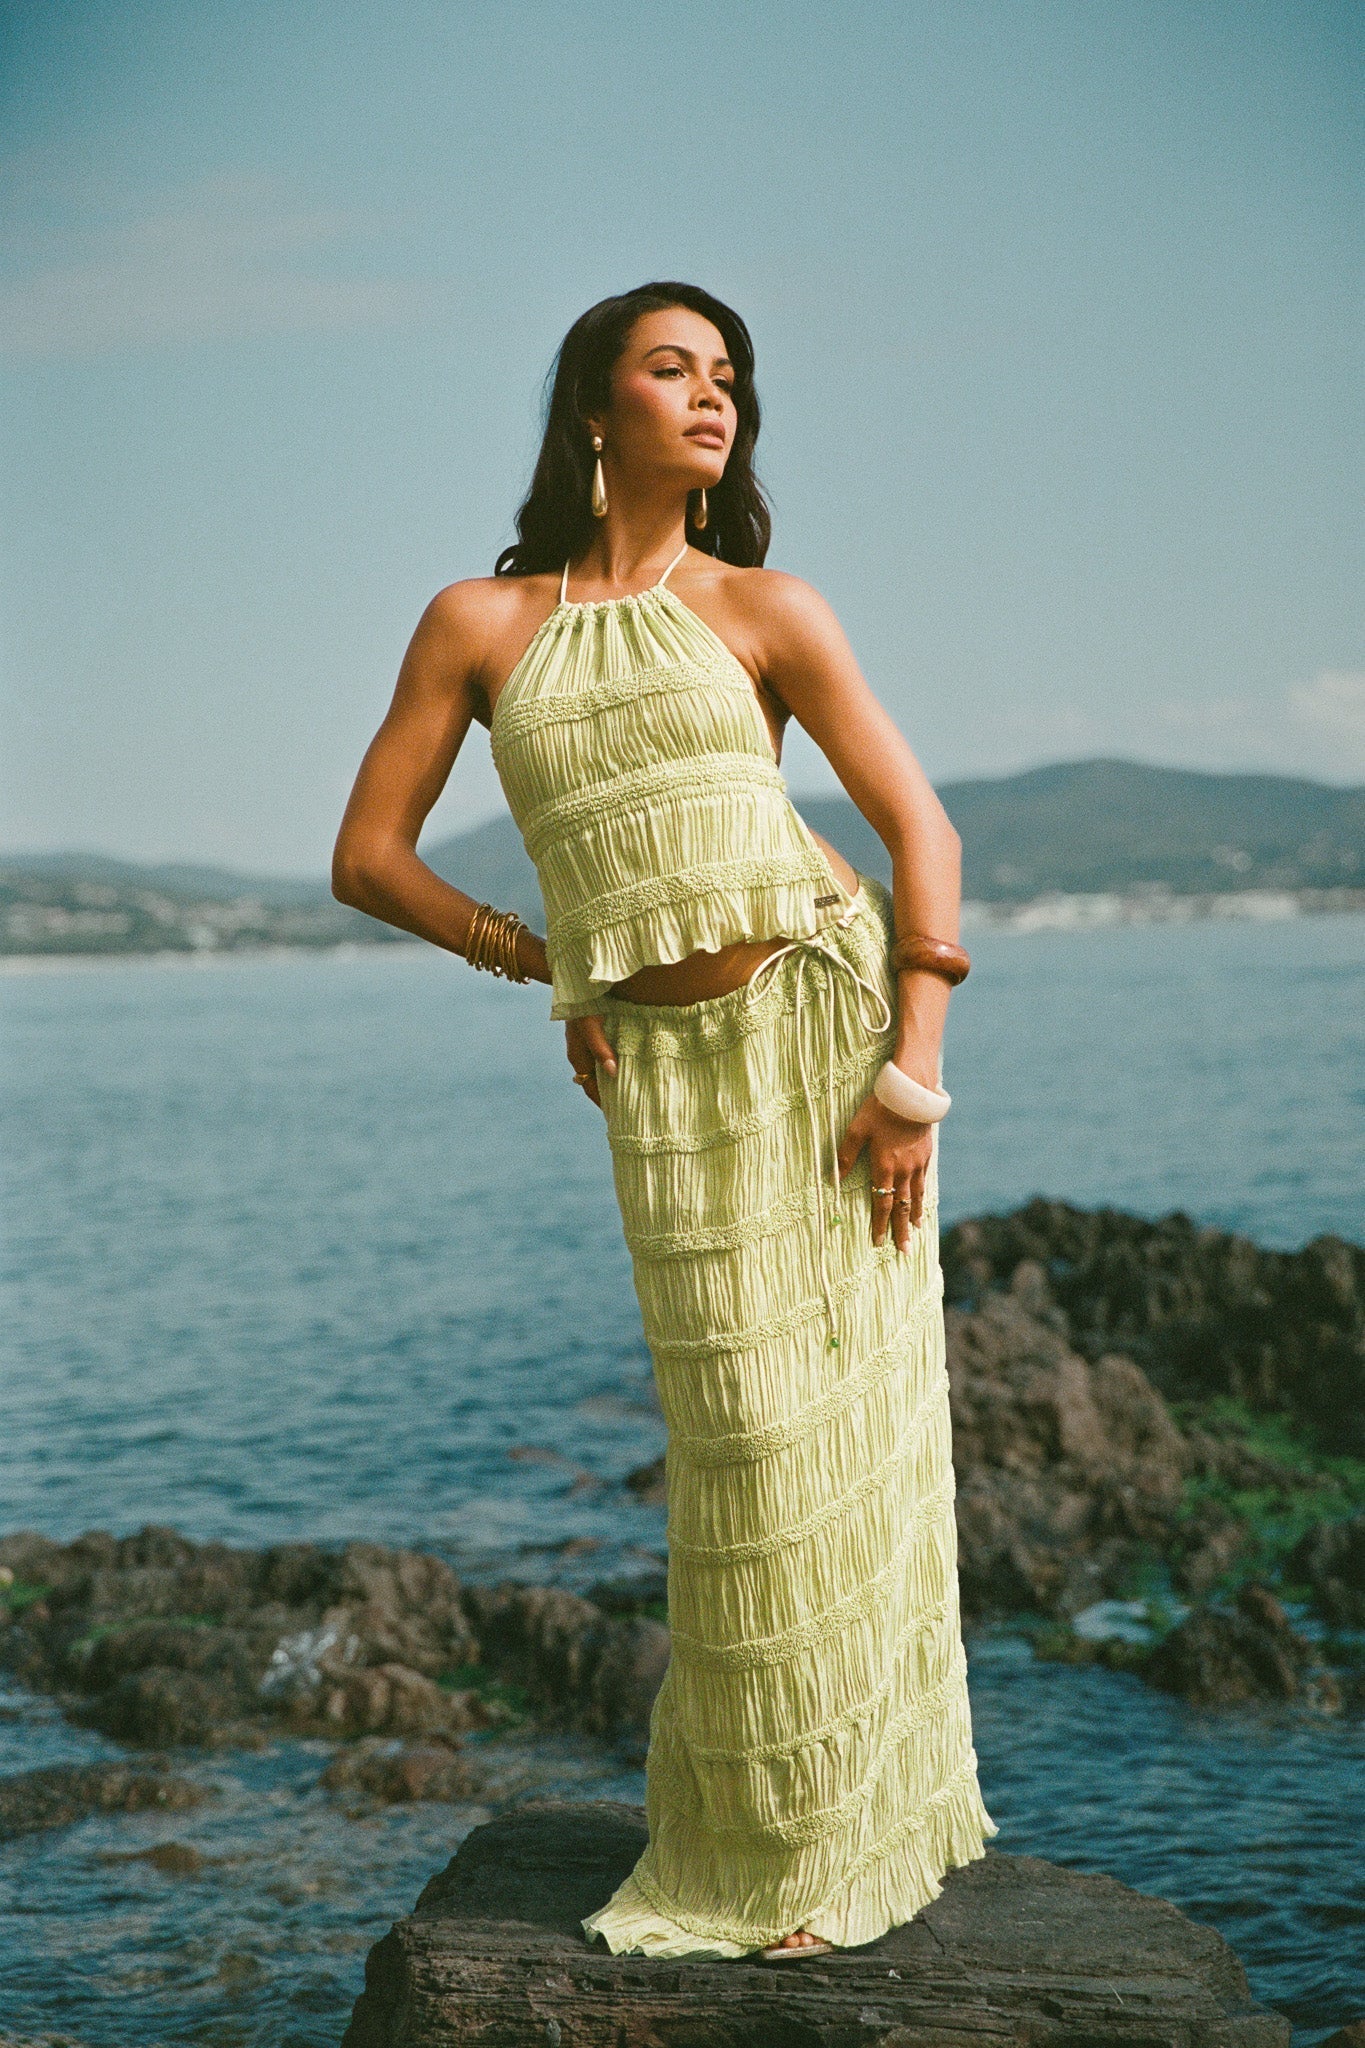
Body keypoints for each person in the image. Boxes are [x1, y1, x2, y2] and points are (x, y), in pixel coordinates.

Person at [332, 280, 998, 1959]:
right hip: (670, 1084)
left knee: (833, 1456)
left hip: (828, 1045)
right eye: (671, 370)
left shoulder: (768, 606)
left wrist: (911, 1075)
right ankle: (752, 1835)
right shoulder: (478, 626)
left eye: (729, 379)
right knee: (739, 1453)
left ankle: (840, 1851)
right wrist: (550, 967)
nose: (711, 399)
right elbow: (369, 860)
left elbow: (923, 834)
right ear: (591, 410)